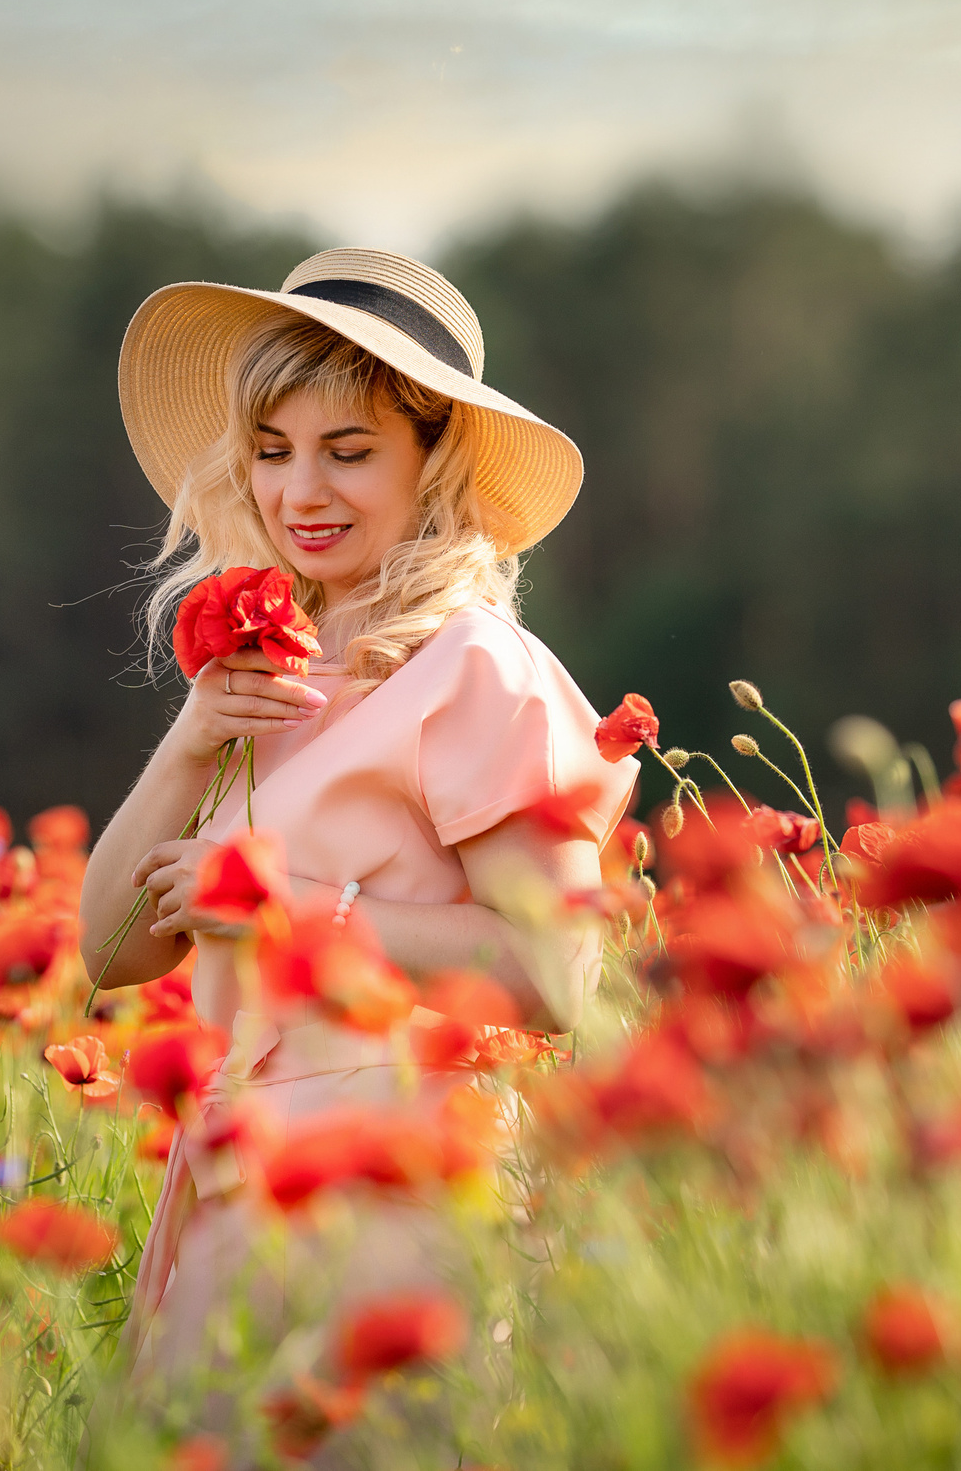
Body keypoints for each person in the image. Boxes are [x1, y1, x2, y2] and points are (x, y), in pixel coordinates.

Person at [81, 247, 638, 1407]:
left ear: (432, 461)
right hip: (241, 1184)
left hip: (395, 1183)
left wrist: (294, 909)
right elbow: (112, 950)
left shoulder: (478, 669)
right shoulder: (260, 676)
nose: (302, 493)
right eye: (273, 453)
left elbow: (550, 973)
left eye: (349, 452)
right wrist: (191, 737)